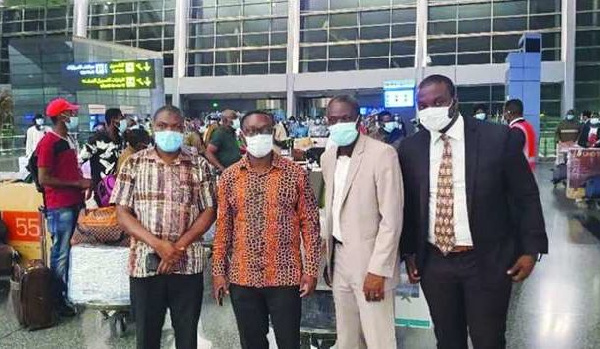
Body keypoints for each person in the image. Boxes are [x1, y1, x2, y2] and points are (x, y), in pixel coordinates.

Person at [399, 75, 548, 349]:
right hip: (435, 261)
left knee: (488, 339)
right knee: (447, 339)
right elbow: (409, 204)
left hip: (487, 259)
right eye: (423, 105)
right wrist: (408, 252)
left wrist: (531, 249)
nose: (430, 109)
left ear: (454, 101)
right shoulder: (410, 148)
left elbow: (525, 195)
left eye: (438, 101)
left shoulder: (497, 138)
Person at [212, 111, 321, 349]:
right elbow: (223, 228)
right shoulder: (229, 177)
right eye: (252, 131)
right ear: (242, 136)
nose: (258, 136)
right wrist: (219, 272)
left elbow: (310, 226)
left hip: (285, 275)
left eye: (264, 130)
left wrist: (311, 270)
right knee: (251, 343)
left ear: (272, 133)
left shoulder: (295, 174)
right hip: (243, 276)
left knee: (289, 342)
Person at [111, 105, 216, 349]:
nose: (169, 131)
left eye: (176, 127)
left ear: (184, 129)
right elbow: (122, 213)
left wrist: (177, 247)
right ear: (153, 128)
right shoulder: (134, 164)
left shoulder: (199, 165)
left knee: (187, 335)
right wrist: (158, 245)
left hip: (187, 264)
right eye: (163, 126)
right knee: (147, 337)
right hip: (145, 267)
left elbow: (209, 211)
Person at [321, 95, 403, 349]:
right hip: (339, 256)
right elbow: (333, 208)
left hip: (370, 261)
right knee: (346, 337)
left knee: (378, 338)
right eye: (333, 119)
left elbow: (392, 218)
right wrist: (328, 258)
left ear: (358, 120)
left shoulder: (382, 154)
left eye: (345, 118)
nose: (338, 124)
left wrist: (378, 270)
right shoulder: (329, 156)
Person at [37, 98, 91, 317]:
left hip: (72, 202)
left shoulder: (67, 139)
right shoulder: (49, 142)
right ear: (61, 116)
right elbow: (44, 178)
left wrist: (80, 185)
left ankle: (66, 294)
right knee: (60, 253)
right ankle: (57, 300)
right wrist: (77, 184)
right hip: (60, 206)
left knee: (70, 252)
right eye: (70, 112)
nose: (73, 115)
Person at [80, 108, 126, 206]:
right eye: (121, 118)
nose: (123, 121)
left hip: (119, 188)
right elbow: (79, 160)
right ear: (113, 120)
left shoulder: (121, 139)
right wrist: (86, 183)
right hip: (102, 190)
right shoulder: (96, 140)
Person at [503, 99, 537, 171]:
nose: (503, 115)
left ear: (509, 113)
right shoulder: (528, 126)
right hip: (530, 169)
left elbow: (512, 154)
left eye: (504, 112)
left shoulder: (515, 129)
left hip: (519, 171)